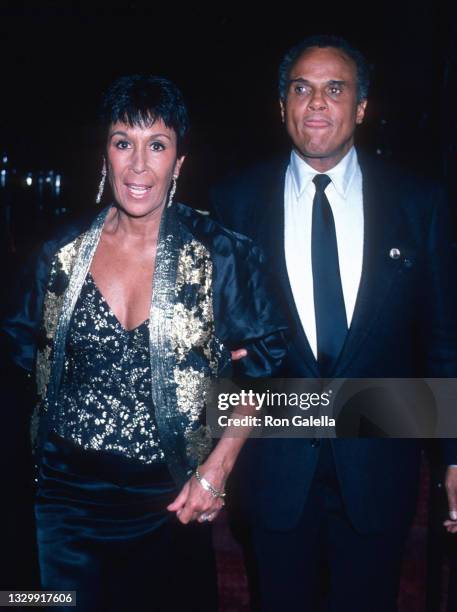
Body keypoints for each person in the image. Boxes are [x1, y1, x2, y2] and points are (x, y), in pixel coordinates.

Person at [0, 74, 288, 612]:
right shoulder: (58, 255)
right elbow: (21, 367)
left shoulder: (223, 255)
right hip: (63, 505)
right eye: (122, 142)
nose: (138, 165)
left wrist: (217, 470)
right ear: (104, 154)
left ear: (179, 162)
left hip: (171, 500)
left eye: (156, 145)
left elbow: (261, 375)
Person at [210, 35, 457, 612]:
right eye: (302, 88)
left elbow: (444, 341)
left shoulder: (420, 203)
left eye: (334, 89)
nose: (316, 103)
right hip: (274, 477)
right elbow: (220, 352)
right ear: (282, 107)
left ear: (361, 108)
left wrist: (453, 456)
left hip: (378, 473)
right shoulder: (234, 202)